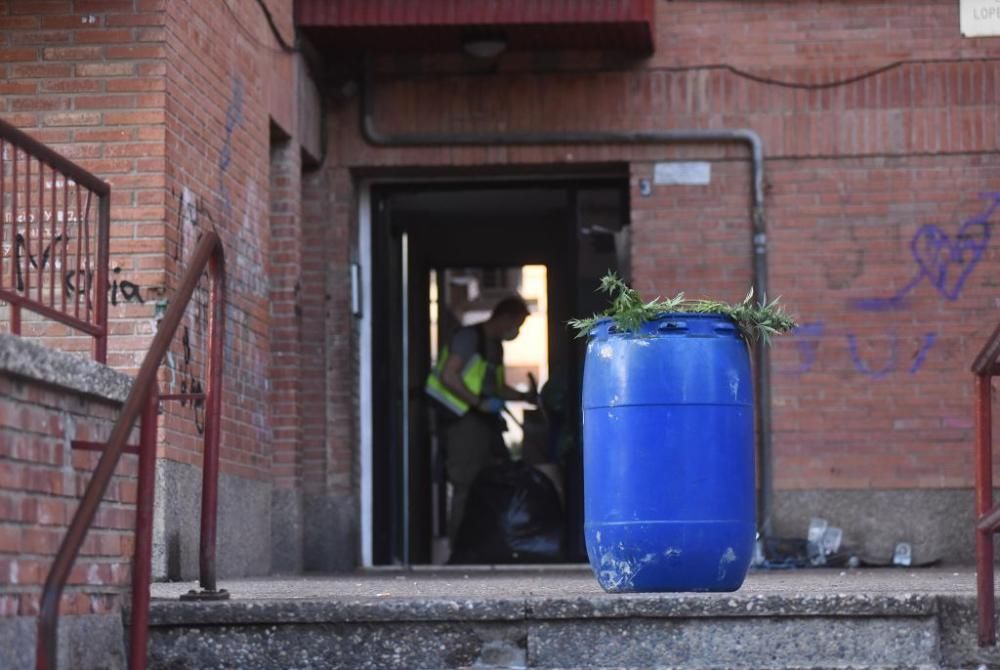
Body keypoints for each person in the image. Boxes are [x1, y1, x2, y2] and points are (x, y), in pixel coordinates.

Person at [425, 295, 536, 542]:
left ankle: (482, 543)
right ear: (504, 317)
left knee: (487, 480)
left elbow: (495, 387)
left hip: (480, 420)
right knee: (465, 483)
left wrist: (522, 395)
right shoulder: (469, 338)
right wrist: (479, 403)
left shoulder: (494, 346)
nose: (516, 331)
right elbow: (448, 376)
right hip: (460, 419)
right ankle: (459, 548)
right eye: (516, 324)